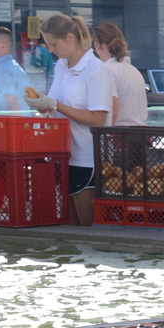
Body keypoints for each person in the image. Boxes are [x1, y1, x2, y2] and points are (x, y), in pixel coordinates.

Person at [25, 13, 110, 199]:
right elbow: (57, 106)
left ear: (70, 38)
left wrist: (54, 105)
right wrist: (43, 105)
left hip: (87, 158)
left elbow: (99, 119)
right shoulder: (61, 66)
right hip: (62, 154)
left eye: (54, 44)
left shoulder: (95, 69)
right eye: (48, 44)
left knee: (84, 226)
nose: (51, 49)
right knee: (68, 223)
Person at [92, 21, 148, 126]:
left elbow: (114, 110)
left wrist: (104, 135)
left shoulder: (107, 71)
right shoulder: (134, 71)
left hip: (119, 135)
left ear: (98, 45)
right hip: (142, 135)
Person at [0, 28, 32, 113]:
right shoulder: (14, 66)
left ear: (3, 46)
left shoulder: (3, 70)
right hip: (22, 123)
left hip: (13, 125)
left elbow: (13, 107)